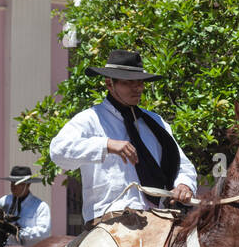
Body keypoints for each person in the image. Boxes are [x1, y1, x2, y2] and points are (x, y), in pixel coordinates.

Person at [48, 49, 197, 223]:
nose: (137, 89)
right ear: (109, 84)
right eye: (128, 83)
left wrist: (184, 184)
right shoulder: (89, 119)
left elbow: (182, 164)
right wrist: (106, 145)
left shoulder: (157, 123)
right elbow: (58, 152)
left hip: (160, 218)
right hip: (109, 219)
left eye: (140, 83)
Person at [0, 165, 51, 247]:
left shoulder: (40, 207)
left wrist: (18, 232)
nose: (13, 186)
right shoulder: (3, 201)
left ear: (27, 185)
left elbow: (43, 232)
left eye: (17, 183)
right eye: (12, 183)